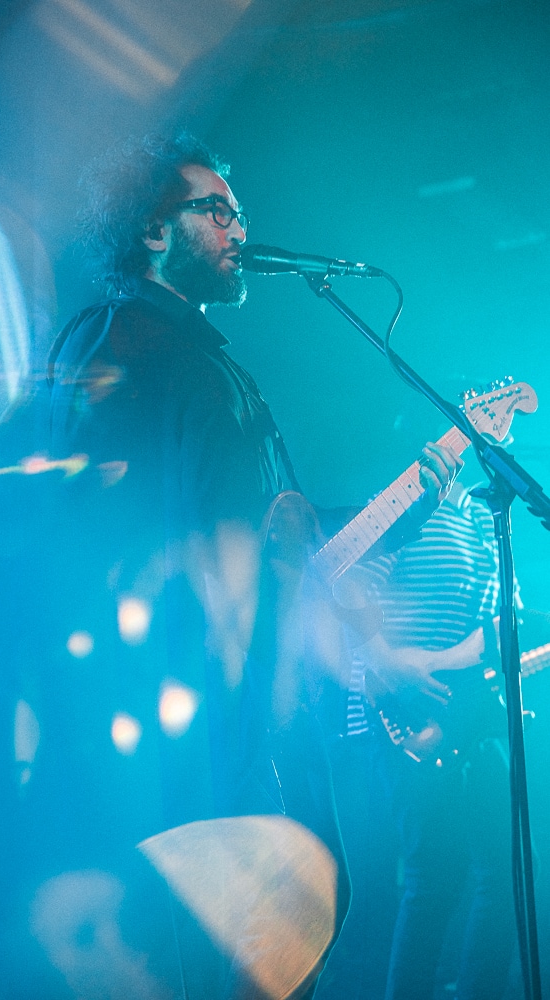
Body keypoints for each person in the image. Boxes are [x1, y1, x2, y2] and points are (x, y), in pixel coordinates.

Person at [43, 133, 460, 998]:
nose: (240, 227)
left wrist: (402, 501)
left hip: (253, 705)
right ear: (154, 228)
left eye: (240, 212)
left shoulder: (209, 363)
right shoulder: (114, 340)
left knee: (298, 935)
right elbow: (87, 530)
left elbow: (285, 541)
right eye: (216, 209)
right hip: (185, 714)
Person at [342, 474, 520, 1000]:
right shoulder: (406, 497)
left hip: (463, 717)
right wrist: (389, 666)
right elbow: (349, 584)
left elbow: (502, 623)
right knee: (432, 877)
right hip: (395, 717)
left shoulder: (489, 520)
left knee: (509, 870)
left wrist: (438, 662)